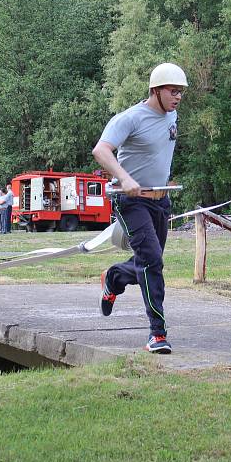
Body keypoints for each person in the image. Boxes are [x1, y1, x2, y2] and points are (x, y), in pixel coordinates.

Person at [91, 62, 187, 354]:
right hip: (130, 200)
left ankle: (114, 277)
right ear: (156, 90)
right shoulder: (130, 118)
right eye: (173, 91)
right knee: (152, 262)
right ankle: (157, 333)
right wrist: (125, 177)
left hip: (160, 200)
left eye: (181, 92)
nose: (178, 97)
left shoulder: (173, 117)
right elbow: (101, 150)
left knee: (149, 261)